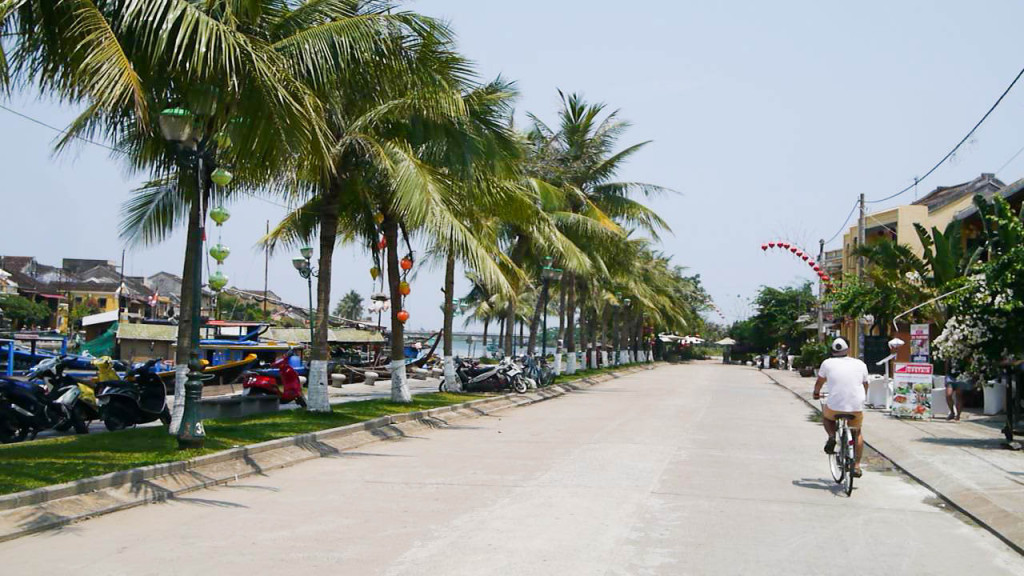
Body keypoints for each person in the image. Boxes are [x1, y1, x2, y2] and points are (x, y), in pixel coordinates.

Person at [812, 337, 869, 478]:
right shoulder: (860, 364)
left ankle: (832, 436)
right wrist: (863, 397)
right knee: (857, 433)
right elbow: (865, 384)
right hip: (856, 406)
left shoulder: (827, 363)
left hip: (835, 406)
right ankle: (856, 466)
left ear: (832, 351)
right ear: (848, 349)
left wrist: (816, 393)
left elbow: (819, 382)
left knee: (826, 416)